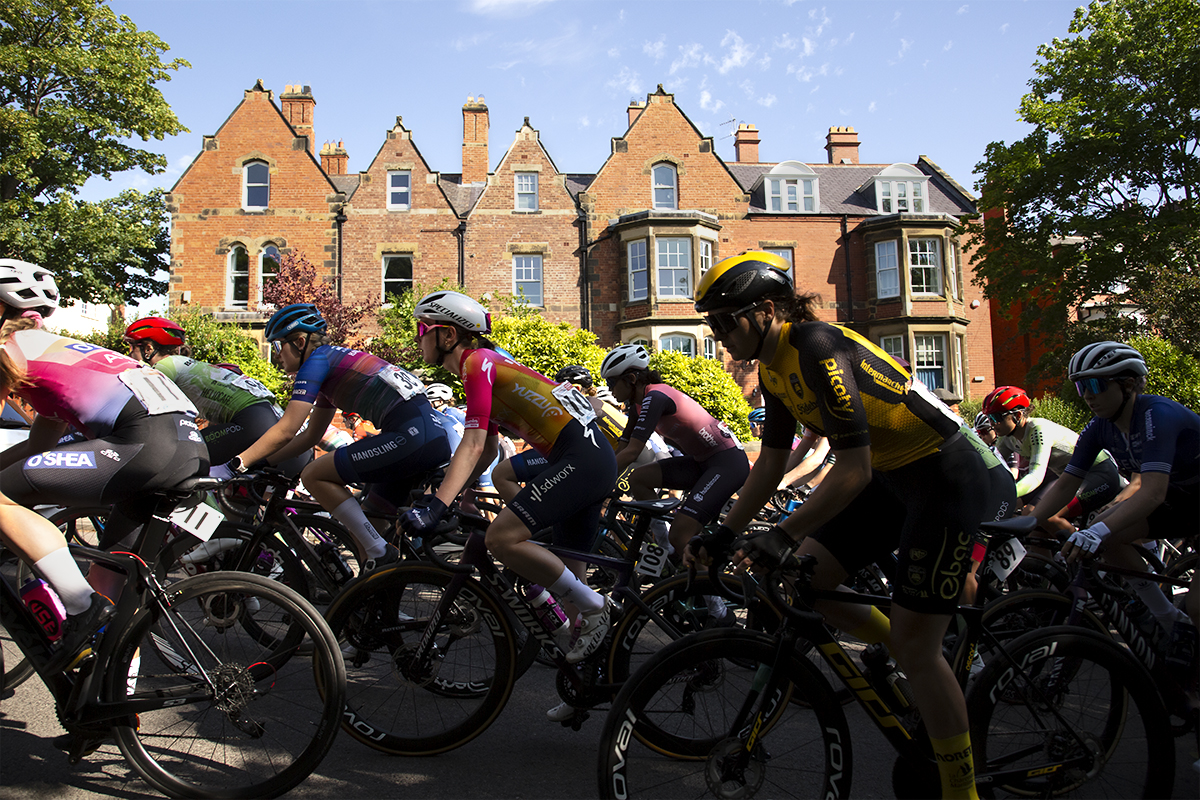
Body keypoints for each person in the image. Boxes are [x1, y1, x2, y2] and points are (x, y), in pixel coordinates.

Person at [689, 250, 996, 799]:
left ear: (764, 311)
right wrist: (724, 532)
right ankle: (903, 651)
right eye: (712, 325)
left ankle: (961, 791)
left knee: (918, 646)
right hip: (895, 477)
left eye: (723, 321)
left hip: (947, 474)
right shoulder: (774, 367)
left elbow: (852, 468)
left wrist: (781, 534)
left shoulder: (816, 345)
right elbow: (771, 464)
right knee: (806, 580)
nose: (719, 336)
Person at [0, 260, 208, 670]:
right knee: (112, 579)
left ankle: (80, 606)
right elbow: (38, 444)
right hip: (186, 448)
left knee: (5, 502)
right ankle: (110, 707)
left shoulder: (7, 351)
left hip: (145, 446)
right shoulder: (60, 352)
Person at [403, 290, 617, 664]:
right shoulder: (490, 362)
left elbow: (470, 445)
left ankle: (600, 607)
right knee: (571, 584)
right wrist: (456, 494)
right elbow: (486, 449)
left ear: (448, 335)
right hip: (587, 457)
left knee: (501, 538)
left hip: (580, 460)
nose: (418, 336)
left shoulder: (476, 364)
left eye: (423, 328)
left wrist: (437, 506)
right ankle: (591, 679)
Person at [226, 303, 451, 571]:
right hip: (427, 435)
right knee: (367, 529)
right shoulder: (332, 364)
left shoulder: (316, 362)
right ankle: (377, 605)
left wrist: (238, 463)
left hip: (410, 436)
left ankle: (381, 553)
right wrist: (267, 461)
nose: (277, 357)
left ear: (299, 342)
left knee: (313, 475)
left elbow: (287, 428)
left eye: (277, 346)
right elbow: (310, 436)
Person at [1037, 341, 1198, 649]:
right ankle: (1167, 620)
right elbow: (1066, 483)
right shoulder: (1100, 426)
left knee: (1198, 607)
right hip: (1184, 503)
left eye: (1095, 384)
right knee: (1108, 536)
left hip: (1180, 499)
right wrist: (1025, 523)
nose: (1087, 395)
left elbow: (1151, 492)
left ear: (1127, 384)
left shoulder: (1157, 414)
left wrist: (1095, 531)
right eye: (1082, 386)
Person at [600, 343, 750, 567]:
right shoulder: (638, 406)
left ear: (631, 378)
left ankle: (713, 600)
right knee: (638, 478)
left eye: (611, 382)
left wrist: (598, 479)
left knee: (681, 535)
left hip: (726, 463)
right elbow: (622, 449)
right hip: (702, 462)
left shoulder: (656, 397)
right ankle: (666, 549)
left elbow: (633, 452)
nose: (609, 389)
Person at [123, 316, 311, 477]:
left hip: (254, 422)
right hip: (277, 425)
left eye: (131, 346)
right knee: (239, 508)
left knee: (178, 459)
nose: (129, 353)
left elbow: (142, 406)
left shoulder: (166, 366)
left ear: (148, 348)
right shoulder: (188, 365)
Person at [983, 385, 1123, 533]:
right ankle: (1039, 556)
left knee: (1047, 515)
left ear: (1018, 416)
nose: (992, 424)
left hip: (1099, 474)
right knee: (1029, 517)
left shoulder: (1038, 430)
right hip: (1069, 477)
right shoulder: (1007, 438)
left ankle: (1078, 552)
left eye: (996, 417)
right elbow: (989, 468)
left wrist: (1006, 493)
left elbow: (1036, 476)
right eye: (989, 418)